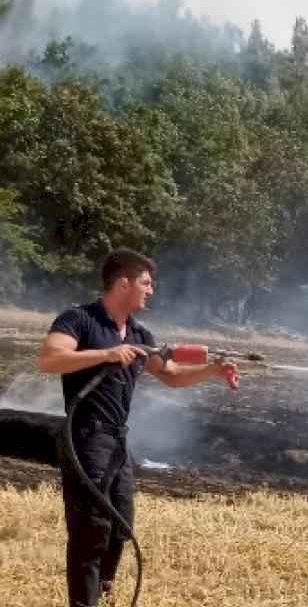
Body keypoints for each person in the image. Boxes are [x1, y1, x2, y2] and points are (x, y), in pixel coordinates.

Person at [36, 248, 239, 607]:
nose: (151, 290)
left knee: (120, 527)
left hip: (116, 440)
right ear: (123, 283)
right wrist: (105, 354)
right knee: (90, 532)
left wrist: (213, 371)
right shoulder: (79, 319)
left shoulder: (141, 334)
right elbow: (49, 359)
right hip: (86, 436)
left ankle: (103, 597)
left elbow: (172, 375)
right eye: (146, 283)